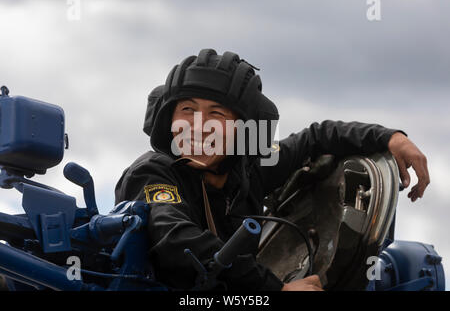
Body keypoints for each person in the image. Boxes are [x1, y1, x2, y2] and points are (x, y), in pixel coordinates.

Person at [114, 49, 430, 291]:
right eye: (187, 110)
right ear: (169, 121)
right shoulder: (154, 173)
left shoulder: (248, 172)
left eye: (217, 114)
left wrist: (389, 137)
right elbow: (177, 239)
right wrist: (274, 288)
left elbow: (316, 138)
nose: (199, 126)